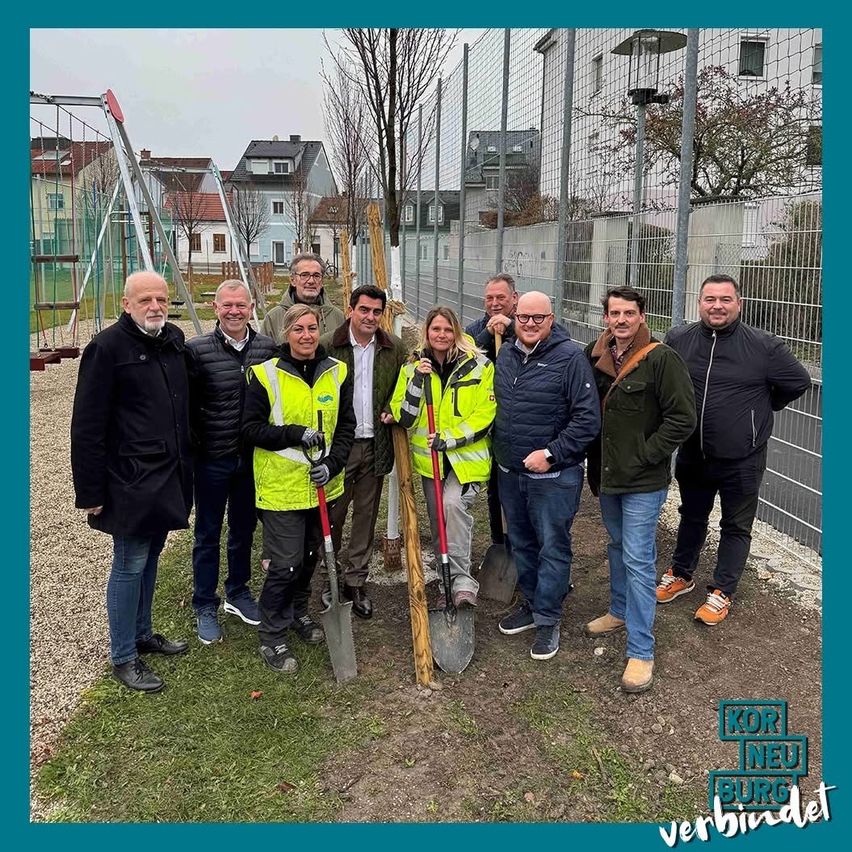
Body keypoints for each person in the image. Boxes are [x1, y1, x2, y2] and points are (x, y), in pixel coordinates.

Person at [657, 274, 811, 625]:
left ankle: (722, 590)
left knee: (735, 525)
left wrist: (763, 409)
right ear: (699, 303)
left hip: (743, 457)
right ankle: (681, 573)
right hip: (693, 452)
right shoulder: (678, 339)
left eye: (725, 299)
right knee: (691, 515)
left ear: (738, 304)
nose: (717, 306)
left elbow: (798, 382)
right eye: (710, 299)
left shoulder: (764, 346)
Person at [70, 271, 192, 693]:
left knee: (152, 555)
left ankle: (142, 633)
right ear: (126, 304)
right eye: (145, 300)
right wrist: (90, 491)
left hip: (168, 474)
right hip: (130, 480)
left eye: (161, 299)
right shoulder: (106, 348)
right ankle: (123, 656)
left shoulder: (172, 340)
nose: (155, 307)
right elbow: (87, 426)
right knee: (129, 562)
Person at [583, 287, 696, 693]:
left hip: (643, 481)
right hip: (607, 476)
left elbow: (683, 418)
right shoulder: (594, 356)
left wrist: (647, 454)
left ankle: (641, 650)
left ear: (642, 316)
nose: (622, 320)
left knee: (638, 558)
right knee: (617, 546)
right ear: (606, 318)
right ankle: (619, 610)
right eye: (615, 313)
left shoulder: (661, 359)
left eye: (629, 313)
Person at [241, 304, 355, 673]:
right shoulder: (265, 374)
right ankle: (272, 633)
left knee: (309, 558)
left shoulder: (337, 372)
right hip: (281, 488)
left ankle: (296, 612)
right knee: (285, 564)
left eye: (312, 328)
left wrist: (332, 465)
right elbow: (250, 429)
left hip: (323, 486)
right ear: (285, 333)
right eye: (298, 329)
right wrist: (294, 433)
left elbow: (346, 427)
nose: (306, 336)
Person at [493, 291, 600, 661]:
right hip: (510, 472)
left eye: (538, 318)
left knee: (552, 545)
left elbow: (587, 420)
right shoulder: (506, 353)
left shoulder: (570, 358)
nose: (530, 324)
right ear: (515, 317)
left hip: (552, 478)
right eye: (523, 317)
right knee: (521, 542)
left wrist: (551, 454)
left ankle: (549, 617)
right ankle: (533, 602)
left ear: (551, 320)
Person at [185, 280, 277, 644]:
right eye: (227, 305)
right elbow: (186, 404)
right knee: (207, 533)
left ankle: (238, 592)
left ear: (251, 308)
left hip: (251, 459)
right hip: (212, 459)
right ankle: (205, 603)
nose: (234, 311)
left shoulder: (267, 348)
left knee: (243, 529)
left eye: (241, 305)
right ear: (216, 308)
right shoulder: (197, 350)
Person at [388, 306, 495, 608]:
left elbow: (485, 414)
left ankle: (462, 582)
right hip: (430, 462)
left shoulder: (479, 365)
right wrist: (416, 381)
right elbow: (404, 417)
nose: (442, 335)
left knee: (452, 506)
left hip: (465, 460)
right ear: (427, 332)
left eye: (448, 329)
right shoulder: (412, 367)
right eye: (436, 329)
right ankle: (445, 576)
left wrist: (449, 439)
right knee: (438, 520)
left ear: (457, 332)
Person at [319, 284, 408, 619]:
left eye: (376, 312)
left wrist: (393, 408)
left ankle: (356, 580)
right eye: (364, 310)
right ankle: (330, 575)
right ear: (351, 309)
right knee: (334, 514)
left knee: (366, 515)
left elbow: (402, 387)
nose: (370, 317)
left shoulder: (393, 348)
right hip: (339, 446)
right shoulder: (329, 345)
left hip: (374, 444)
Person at [465, 273, 519, 549]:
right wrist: (488, 334)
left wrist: (512, 328)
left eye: (501, 297)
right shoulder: (475, 330)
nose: (495, 303)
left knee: (519, 488)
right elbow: (465, 358)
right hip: (488, 419)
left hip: (519, 420)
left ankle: (522, 544)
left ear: (514, 298)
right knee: (495, 487)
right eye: (490, 298)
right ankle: (500, 543)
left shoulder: (526, 326)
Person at [260, 253, 345, 342]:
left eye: (316, 276)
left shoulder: (337, 317)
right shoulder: (273, 318)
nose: (311, 281)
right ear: (293, 280)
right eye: (304, 275)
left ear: (322, 281)